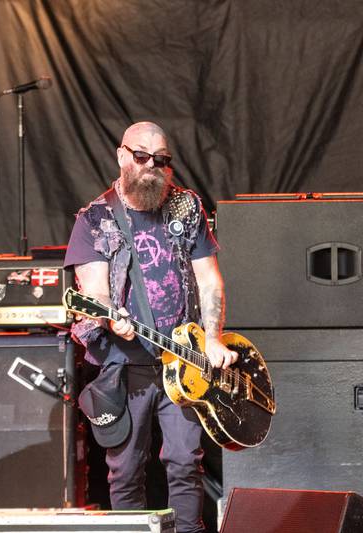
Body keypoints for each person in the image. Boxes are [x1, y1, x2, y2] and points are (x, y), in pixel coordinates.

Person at [64, 121, 237, 533]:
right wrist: (112, 317)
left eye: (161, 160)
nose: (151, 166)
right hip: (125, 365)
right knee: (125, 470)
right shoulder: (96, 219)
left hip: (184, 362)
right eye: (141, 156)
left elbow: (209, 279)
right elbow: (95, 293)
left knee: (185, 463)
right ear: (122, 156)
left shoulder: (186, 207)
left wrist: (212, 337)